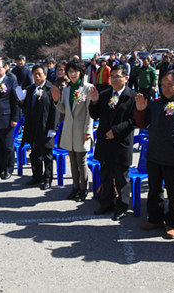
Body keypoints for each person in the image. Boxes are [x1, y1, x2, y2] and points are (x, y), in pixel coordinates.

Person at [134, 70, 174, 239]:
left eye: (170, 85)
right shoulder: (156, 103)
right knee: (154, 190)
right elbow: (143, 123)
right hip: (154, 154)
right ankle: (155, 218)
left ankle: (173, 224)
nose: (166, 89)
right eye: (163, 85)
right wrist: (140, 110)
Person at [88, 64, 137, 220]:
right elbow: (94, 115)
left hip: (121, 142)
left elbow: (134, 121)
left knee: (121, 177)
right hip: (105, 141)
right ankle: (106, 203)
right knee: (106, 174)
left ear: (126, 78)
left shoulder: (133, 97)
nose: (114, 79)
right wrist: (94, 102)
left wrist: (115, 131)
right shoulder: (104, 94)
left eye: (118, 76)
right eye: (112, 77)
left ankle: (121, 207)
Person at [51, 58, 94, 202]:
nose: (73, 74)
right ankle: (75, 187)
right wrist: (57, 101)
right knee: (73, 161)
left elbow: (90, 111)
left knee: (81, 161)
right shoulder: (67, 88)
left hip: (82, 130)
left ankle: (84, 188)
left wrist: (88, 130)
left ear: (81, 72)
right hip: (69, 129)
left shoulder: (88, 88)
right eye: (70, 71)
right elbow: (64, 109)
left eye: (75, 71)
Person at [21, 64, 57, 190]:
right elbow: (26, 107)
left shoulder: (51, 88)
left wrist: (53, 128)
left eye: (39, 74)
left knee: (47, 154)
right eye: (35, 74)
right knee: (34, 153)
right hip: (32, 126)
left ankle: (48, 178)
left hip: (46, 126)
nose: (37, 76)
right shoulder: (30, 88)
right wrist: (21, 100)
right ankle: (37, 176)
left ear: (45, 75)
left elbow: (55, 110)